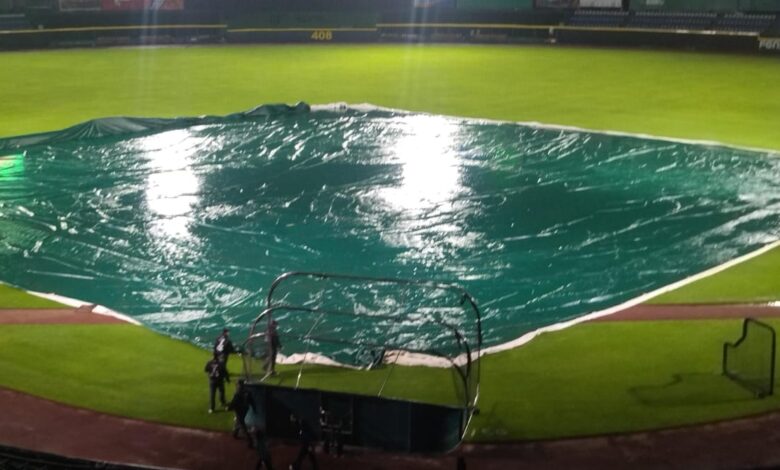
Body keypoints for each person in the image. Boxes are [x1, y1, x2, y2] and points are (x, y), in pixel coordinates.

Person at [228, 379, 253, 448]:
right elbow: (251, 400)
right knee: (238, 420)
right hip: (245, 409)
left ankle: (250, 441)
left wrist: (229, 408)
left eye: (237, 384)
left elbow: (234, 402)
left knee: (242, 424)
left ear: (239, 385)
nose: (236, 385)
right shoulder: (247, 391)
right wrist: (254, 408)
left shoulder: (238, 393)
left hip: (239, 409)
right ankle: (235, 433)